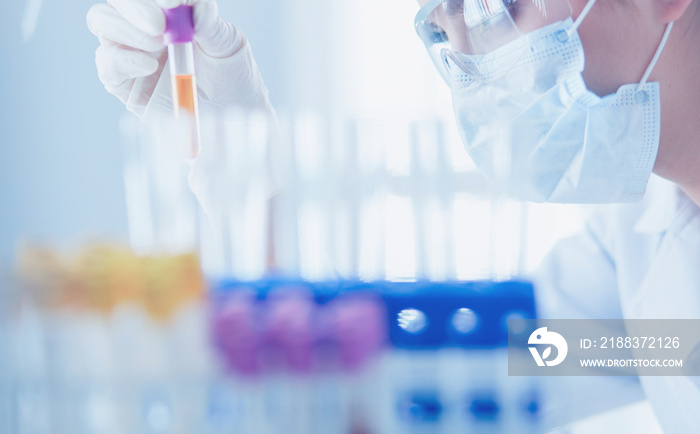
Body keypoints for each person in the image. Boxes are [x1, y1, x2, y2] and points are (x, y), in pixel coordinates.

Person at [87, 0, 700, 431]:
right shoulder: (639, 294)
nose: (466, 57)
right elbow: (462, 371)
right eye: (448, 17)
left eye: (499, 5)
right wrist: (245, 185)